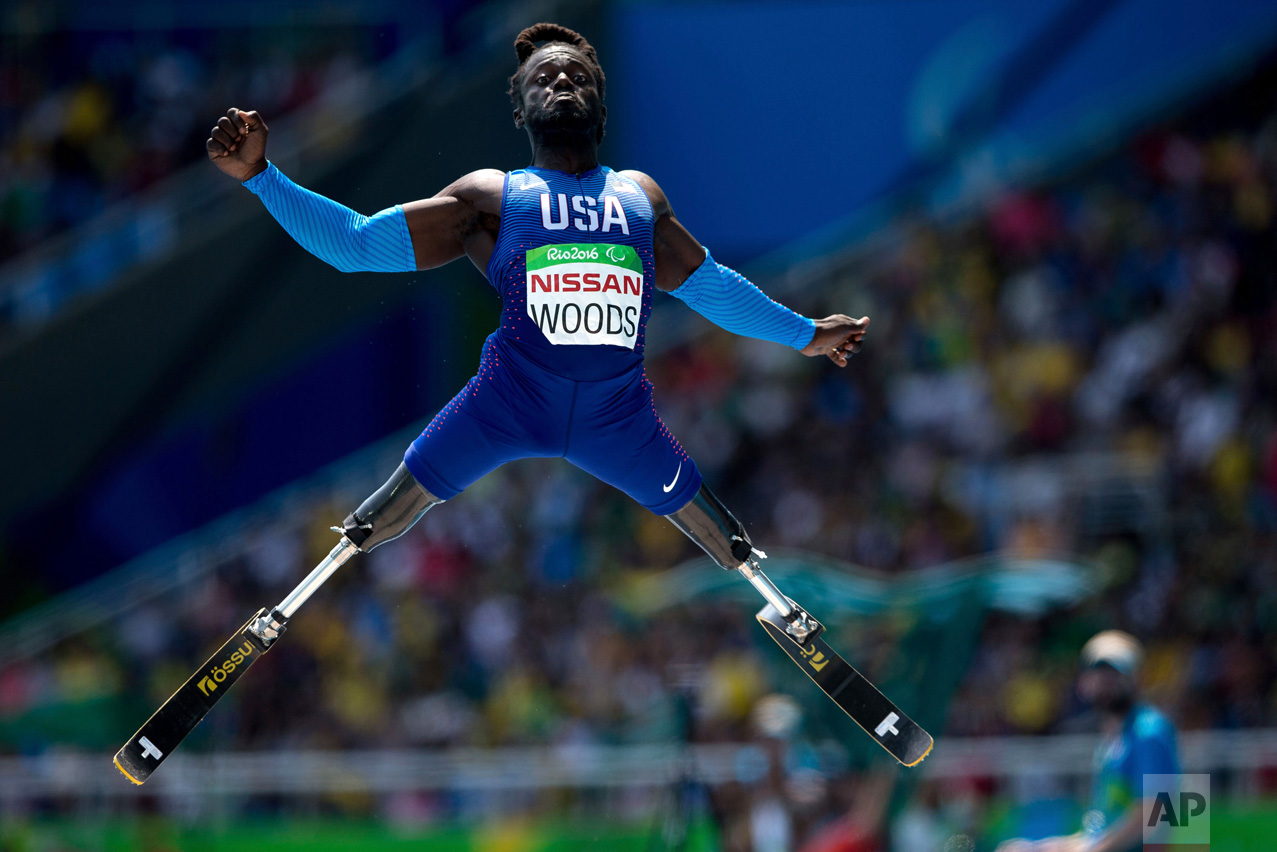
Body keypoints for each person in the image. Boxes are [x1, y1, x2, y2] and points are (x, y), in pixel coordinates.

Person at [203, 22, 868, 635]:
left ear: (600, 110)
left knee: (716, 530)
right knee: (389, 510)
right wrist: (262, 177)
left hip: (619, 419)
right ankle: (287, 610)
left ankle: (780, 606)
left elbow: (710, 284)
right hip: (505, 404)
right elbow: (354, 244)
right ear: (519, 111)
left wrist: (805, 333)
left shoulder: (638, 196)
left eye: (576, 75)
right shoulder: (491, 197)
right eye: (543, 77)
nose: (560, 80)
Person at [997, 630, 1181, 852]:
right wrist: (1042, 848)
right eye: (1098, 673)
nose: (1106, 682)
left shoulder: (1150, 732)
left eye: (1115, 673)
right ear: (1083, 682)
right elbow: (1097, 834)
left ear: (1137, 678)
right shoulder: (1112, 741)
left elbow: (1155, 816)